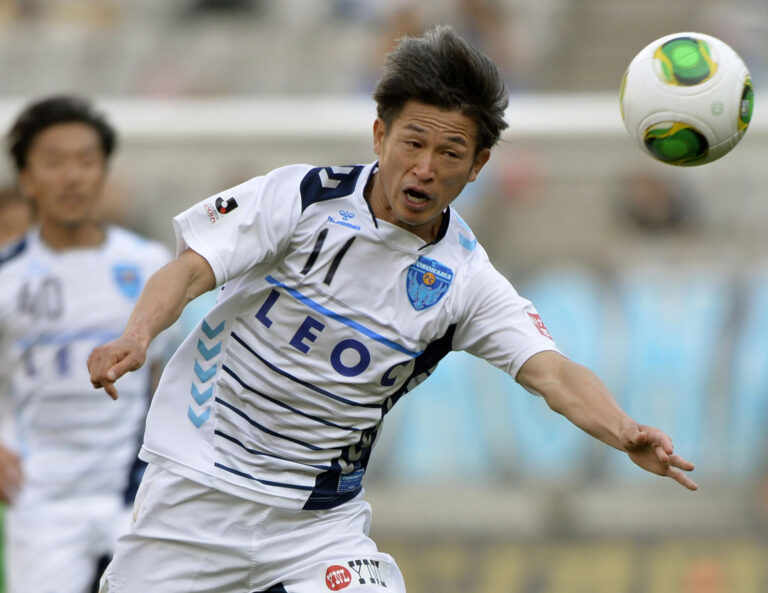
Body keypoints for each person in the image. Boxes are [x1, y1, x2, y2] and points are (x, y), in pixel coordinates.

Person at [88, 26, 697, 593]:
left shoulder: (466, 281)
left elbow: (553, 372)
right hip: (195, 494)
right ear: (380, 136)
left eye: (451, 153)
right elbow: (192, 268)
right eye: (413, 143)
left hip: (316, 526)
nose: (425, 169)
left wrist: (623, 429)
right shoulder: (302, 197)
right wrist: (138, 335)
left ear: (479, 165)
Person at [0, 95, 172, 593]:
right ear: (27, 179)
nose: (72, 177)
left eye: (86, 161)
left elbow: (170, 375)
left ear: (104, 172)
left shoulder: (149, 265)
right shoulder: (7, 277)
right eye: (54, 162)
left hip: (135, 496)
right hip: (41, 502)